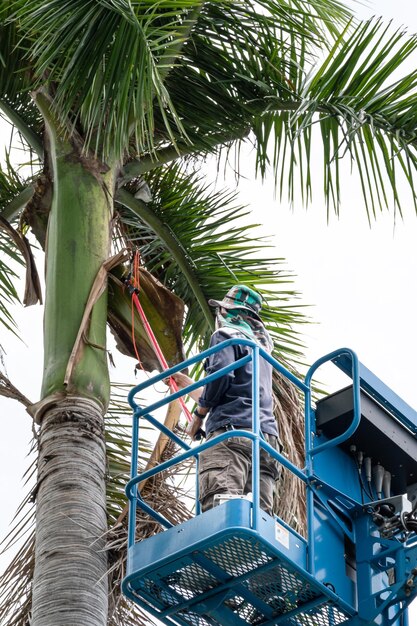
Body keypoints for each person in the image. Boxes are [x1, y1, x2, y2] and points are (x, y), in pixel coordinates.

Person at [172, 284, 281, 516]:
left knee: (221, 513)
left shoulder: (225, 335)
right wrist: (187, 386)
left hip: (233, 435)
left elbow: (220, 377)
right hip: (267, 442)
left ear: (228, 312)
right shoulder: (262, 352)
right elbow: (234, 390)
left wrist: (198, 417)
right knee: (260, 518)